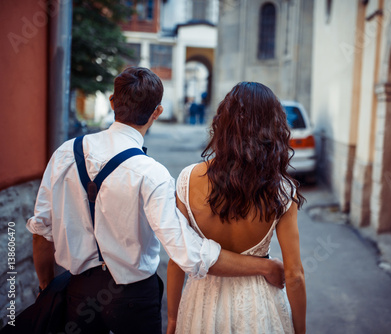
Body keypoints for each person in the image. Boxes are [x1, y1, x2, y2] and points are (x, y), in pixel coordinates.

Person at [26, 68, 285, 334]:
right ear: (157, 112)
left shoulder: (65, 153)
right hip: (133, 301)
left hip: (76, 295)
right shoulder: (153, 173)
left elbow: (41, 231)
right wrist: (263, 265)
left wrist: (45, 287)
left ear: (113, 102)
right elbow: (187, 253)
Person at [167, 82, 307, 333]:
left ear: (223, 123)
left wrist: (173, 318)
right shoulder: (282, 190)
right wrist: (300, 331)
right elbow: (294, 274)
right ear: (272, 127)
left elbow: (177, 259)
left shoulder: (188, 180)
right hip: (258, 306)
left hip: (201, 304)